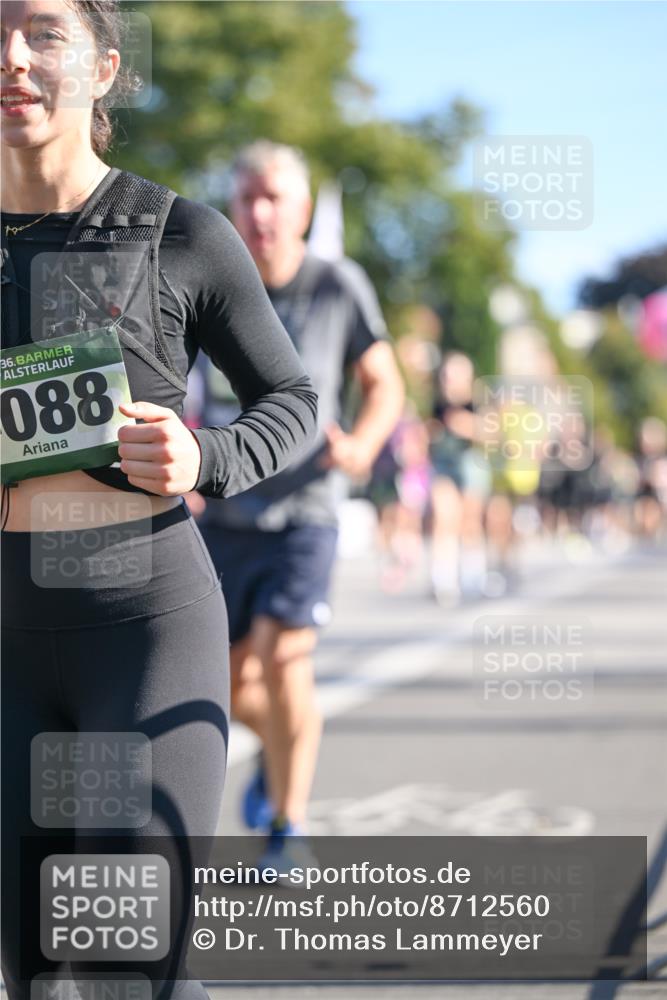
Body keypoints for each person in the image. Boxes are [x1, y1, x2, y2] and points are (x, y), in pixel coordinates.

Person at [0, 5, 317, 1000]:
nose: (10, 56)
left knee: (127, 965)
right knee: (37, 971)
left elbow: (294, 402)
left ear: (102, 66)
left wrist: (202, 455)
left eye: (41, 31)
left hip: (142, 631)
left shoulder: (180, 232)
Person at [196, 141, 404, 864]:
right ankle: (280, 746)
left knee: (286, 659)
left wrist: (365, 442)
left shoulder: (335, 284)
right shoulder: (207, 281)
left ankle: (287, 826)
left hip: (307, 506)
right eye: (247, 196)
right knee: (215, 683)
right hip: (222, 509)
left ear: (302, 210)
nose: (258, 212)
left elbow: (383, 380)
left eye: (274, 197)